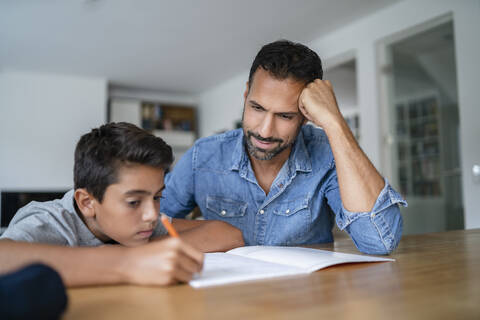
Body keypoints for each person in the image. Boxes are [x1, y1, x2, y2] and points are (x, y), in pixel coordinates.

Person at [160, 40, 407, 255]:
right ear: (246, 95)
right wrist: (208, 232)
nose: (265, 131)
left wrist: (335, 122)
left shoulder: (328, 156)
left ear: (306, 115)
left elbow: (379, 241)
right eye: (257, 108)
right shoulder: (203, 156)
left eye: (285, 116)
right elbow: (146, 224)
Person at [0, 122, 244, 287]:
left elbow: (228, 234)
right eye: (134, 201)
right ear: (87, 202)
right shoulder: (48, 222)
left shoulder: (140, 224)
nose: (151, 214)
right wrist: (128, 261)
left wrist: (151, 250)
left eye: (157, 197)